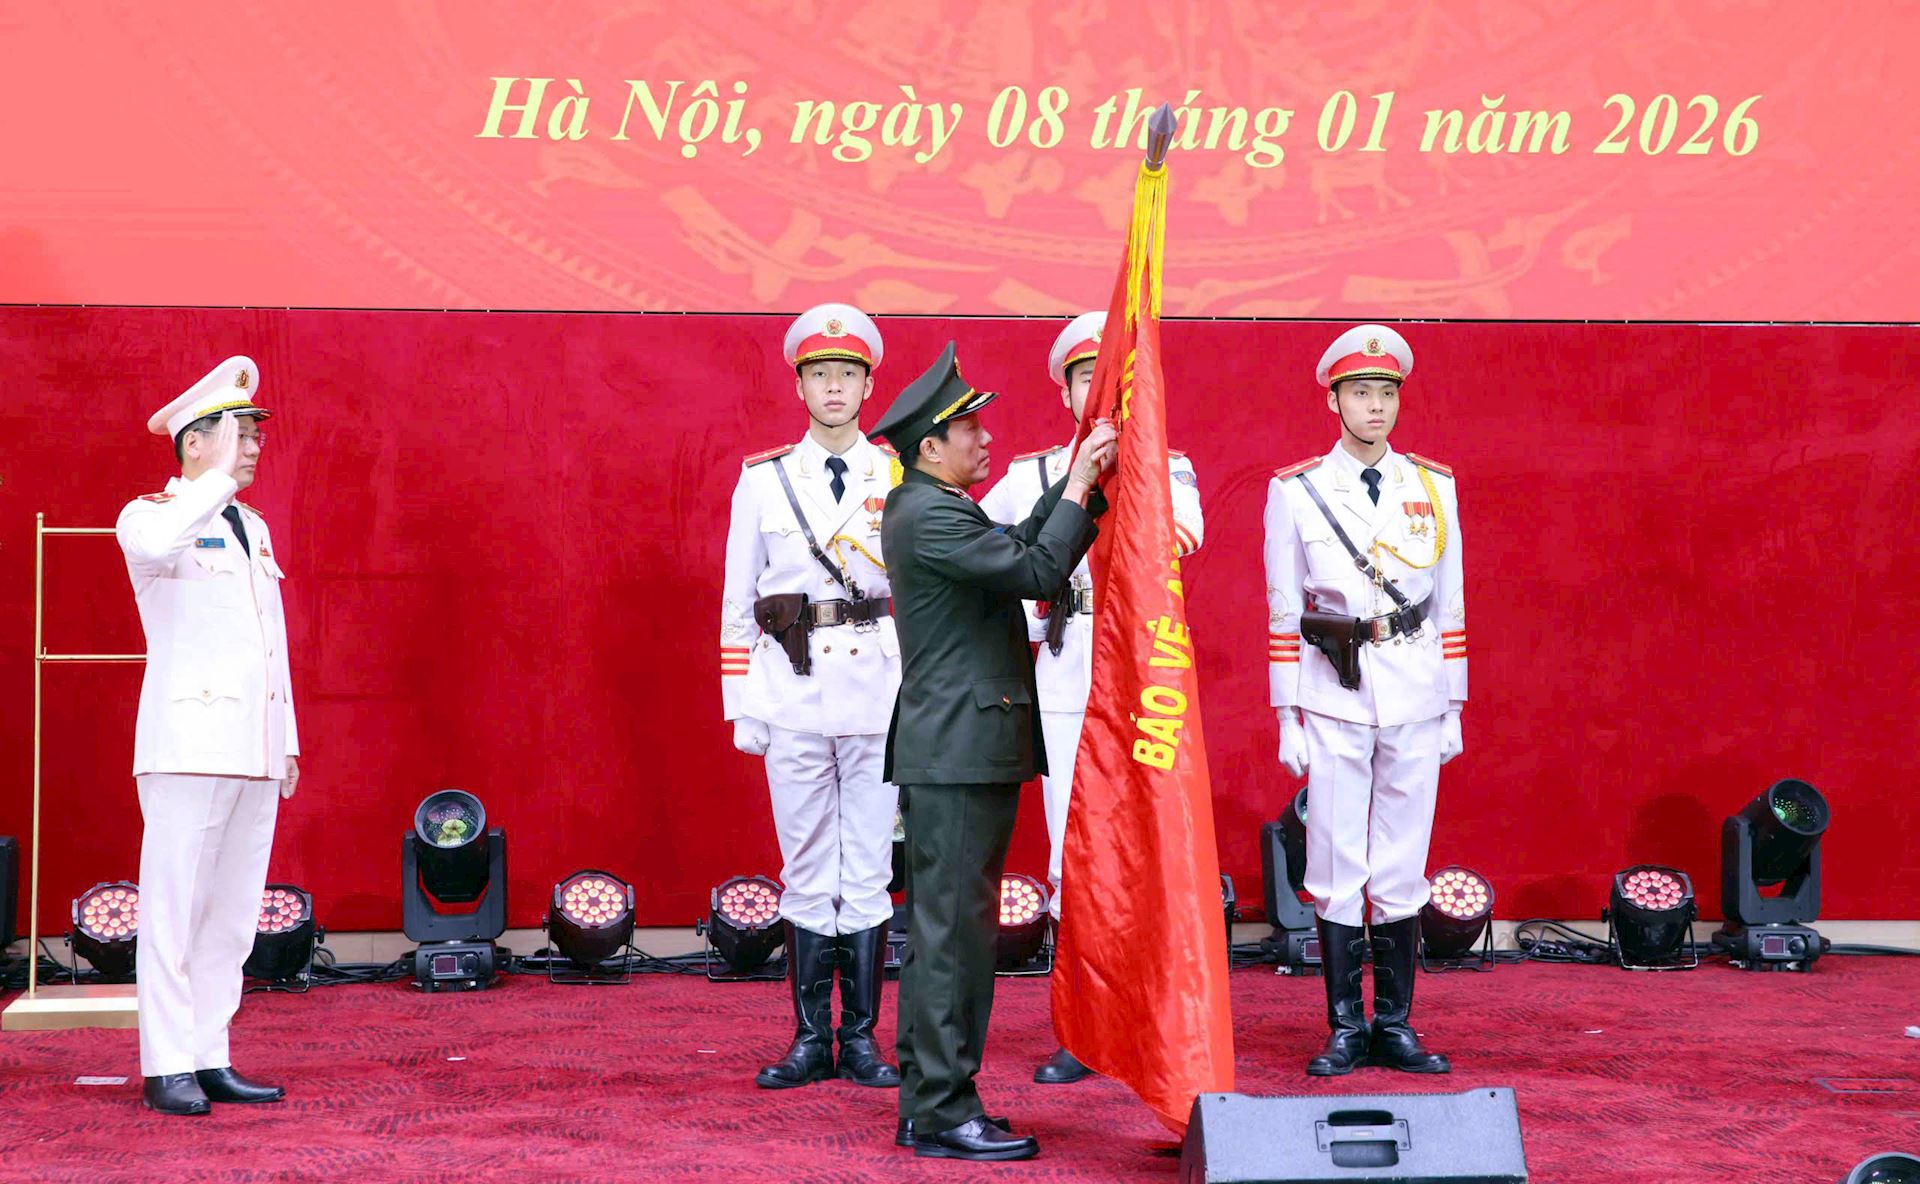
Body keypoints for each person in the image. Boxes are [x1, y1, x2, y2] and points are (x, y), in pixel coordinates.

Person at [869, 341, 1117, 1161]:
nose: (984, 439)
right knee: (952, 938)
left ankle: (932, 1102)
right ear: (928, 447)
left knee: (951, 932)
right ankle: (942, 1110)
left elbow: (1017, 541)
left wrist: (1077, 475)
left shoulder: (934, 506)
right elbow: (1036, 569)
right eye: (969, 429)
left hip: (961, 746)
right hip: (959, 749)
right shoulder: (928, 514)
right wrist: (1079, 484)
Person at [977, 310, 1205, 1085]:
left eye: (1111, 384)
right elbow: (986, 549)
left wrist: (1125, 472)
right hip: (1069, 669)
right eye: (1086, 381)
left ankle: (1146, 1012)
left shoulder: (1167, 466)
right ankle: (1081, 1026)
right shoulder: (1032, 473)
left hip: (1145, 678)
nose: (1099, 396)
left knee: (1146, 844)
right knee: (1070, 850)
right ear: (1066, 392)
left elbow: (1182, 535)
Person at [1263, 324, 1466, 1077]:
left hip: (1415, 684)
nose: (1375, 407)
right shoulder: (1298, 491)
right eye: (1360, 393)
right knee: (1337, 856)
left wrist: (1454, 705)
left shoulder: (1433, 485)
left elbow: (1451, 601)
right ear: (1334, 401)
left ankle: (1396, 1024)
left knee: (1404, 859)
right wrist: (1286, 714)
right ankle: (1346, 1026)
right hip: (1334, 689)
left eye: (1386, 393)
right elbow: (1283, 608)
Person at [720, 303, 903, 1090]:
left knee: (867, 869)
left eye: (847, 374)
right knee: (804, 868)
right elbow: (738, 599)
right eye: (820, 374)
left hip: (878, 687)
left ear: (868, 386)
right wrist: (741, 702)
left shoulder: (897, 474)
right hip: (791, 687)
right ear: (799, 386)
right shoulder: (763, 480)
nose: (834, 387)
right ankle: (806, 1040)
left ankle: (859, 1040)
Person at [115, 356, 299, 1115]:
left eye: (256, 436)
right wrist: (214, 479)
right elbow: (158, 548)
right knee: (175, 909)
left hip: (252, 746)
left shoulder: (251, 526)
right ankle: (167, 1065)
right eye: (240, 434)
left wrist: (286, 737)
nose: (254, 448)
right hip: (188, 744)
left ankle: (209, 1053)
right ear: (196, 442)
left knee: (230, 914)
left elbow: (270, 642)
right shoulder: (151, 514)